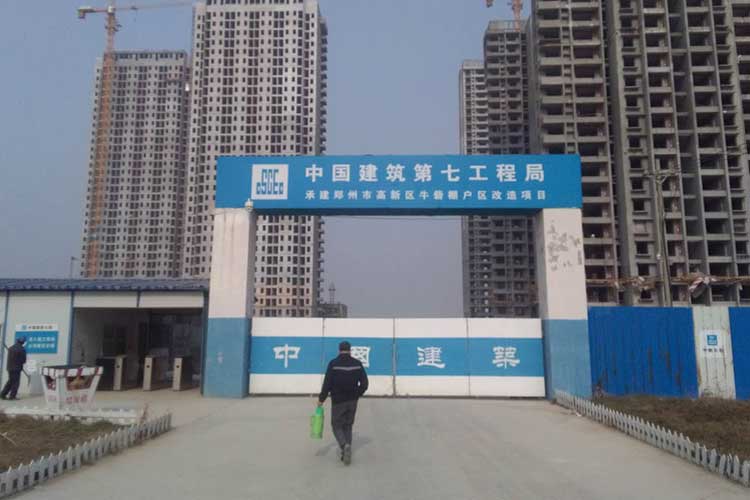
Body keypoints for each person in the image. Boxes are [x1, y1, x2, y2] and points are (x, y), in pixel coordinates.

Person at [318, 341, 368, 465]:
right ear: (350, 350)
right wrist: (357, 393)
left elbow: (327, 384)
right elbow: (365, 383)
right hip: (352, 401)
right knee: (348, 425)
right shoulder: (357, 364)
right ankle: (346, 450)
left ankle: (344, 445)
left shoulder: (333, 364)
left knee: (336, 425)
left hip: (338, 401)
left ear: (339, 350)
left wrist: (321, 399)